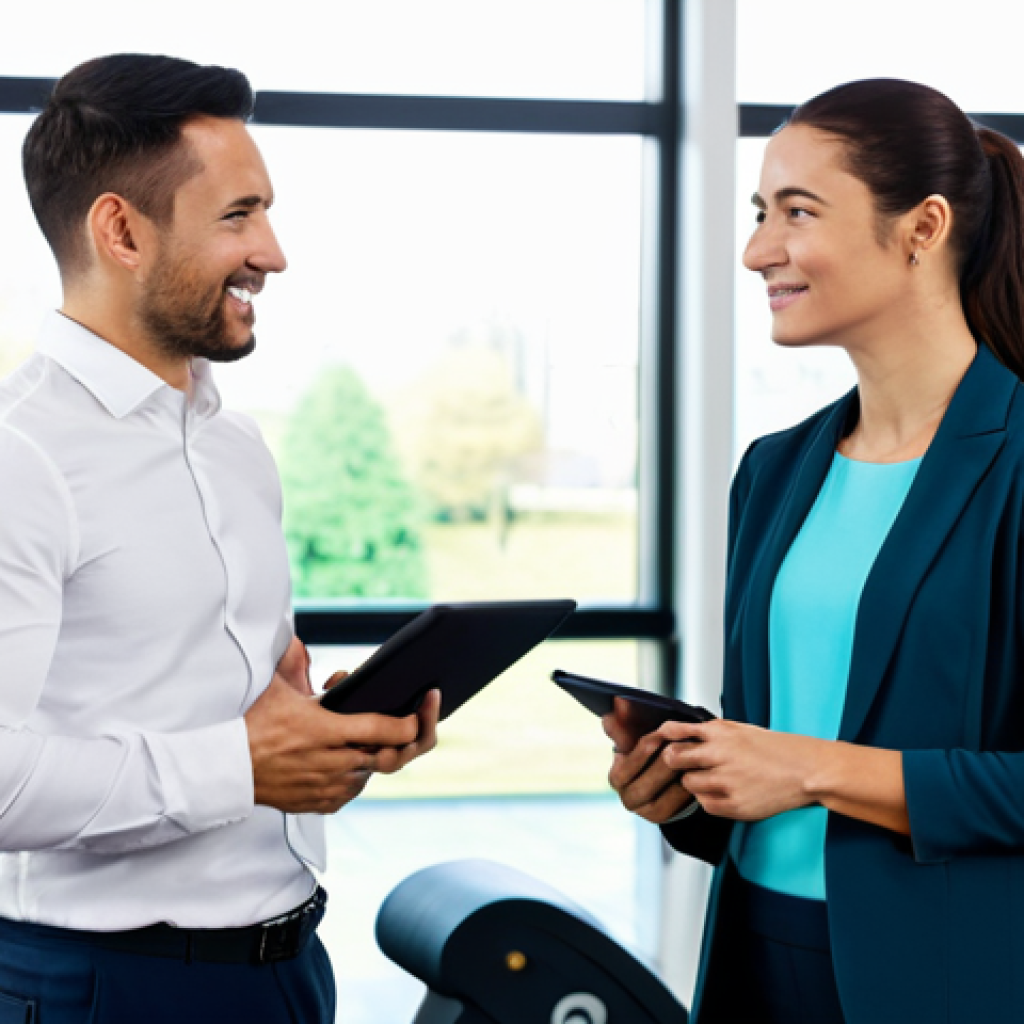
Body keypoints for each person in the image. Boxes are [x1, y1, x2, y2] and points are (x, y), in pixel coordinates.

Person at [0, 53, 439, 1023]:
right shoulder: (19, 456)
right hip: (104, 988)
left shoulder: (236, 446)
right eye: (238, 216)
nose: (273, 252)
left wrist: (324, 744)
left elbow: (239, 724)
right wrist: (240, 763)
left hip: (286, 968)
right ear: (121, 230)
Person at [606, 77, 1024, 1024]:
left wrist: (810, 768)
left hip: (950, 979)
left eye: (797, 211)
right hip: (758, 955)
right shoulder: (777, 470)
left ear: (922, 228)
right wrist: (689, 790)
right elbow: (768, 749)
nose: (758, 251)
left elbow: (805, 760)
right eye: (760, 212)